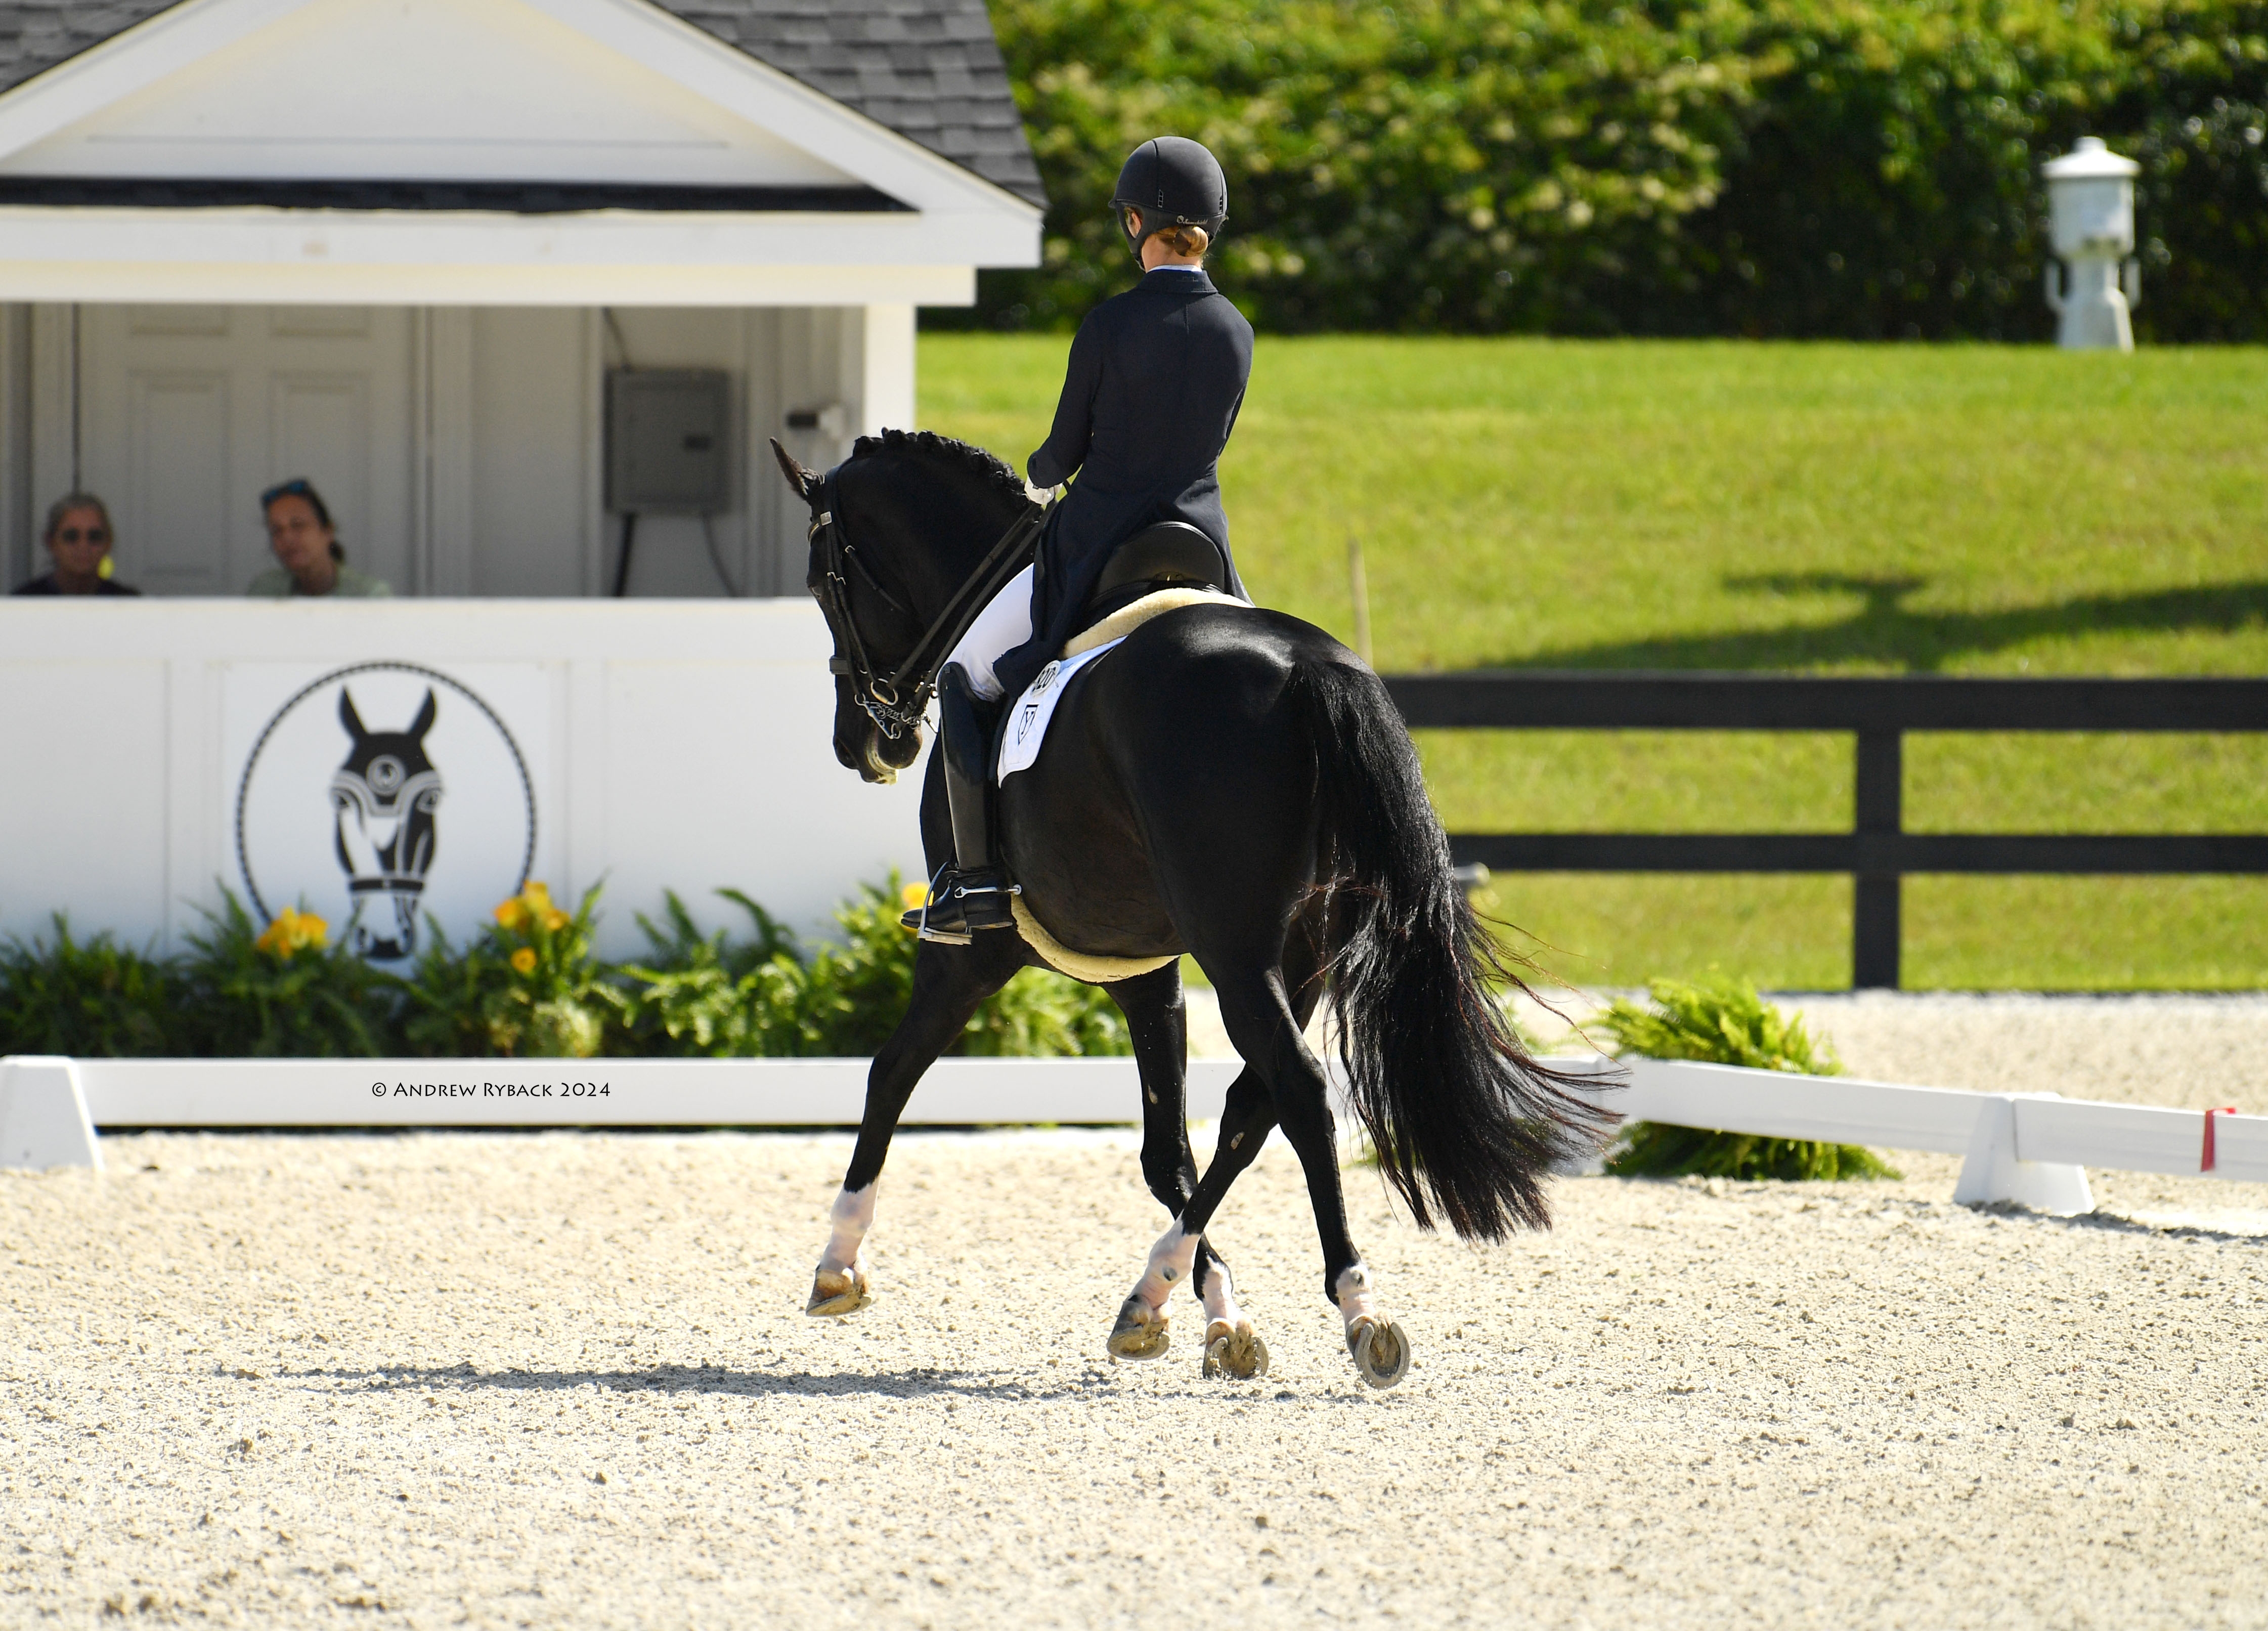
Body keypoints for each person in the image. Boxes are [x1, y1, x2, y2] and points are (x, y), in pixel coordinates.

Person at [907, 136, 1255, 942]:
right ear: (1210, 228)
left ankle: (974, 884)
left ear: (1137, 224)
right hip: (1198, 537)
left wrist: (1036, 478)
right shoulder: (1235, 329)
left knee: (967, 676)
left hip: (1100, 536)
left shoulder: (1109, 324)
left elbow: (1066, 450)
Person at [246, 479, 390, 597]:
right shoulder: (264, 592)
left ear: (328, 532)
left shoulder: (369, 596)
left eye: (298, 525)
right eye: (277, 530)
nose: (287, 538)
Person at [11, 493, 140, 595]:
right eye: (71, 537)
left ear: (108, 542)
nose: (83, 546)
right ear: (51, 542)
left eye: (94, 537)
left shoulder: (127, 603)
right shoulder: (25, 602)